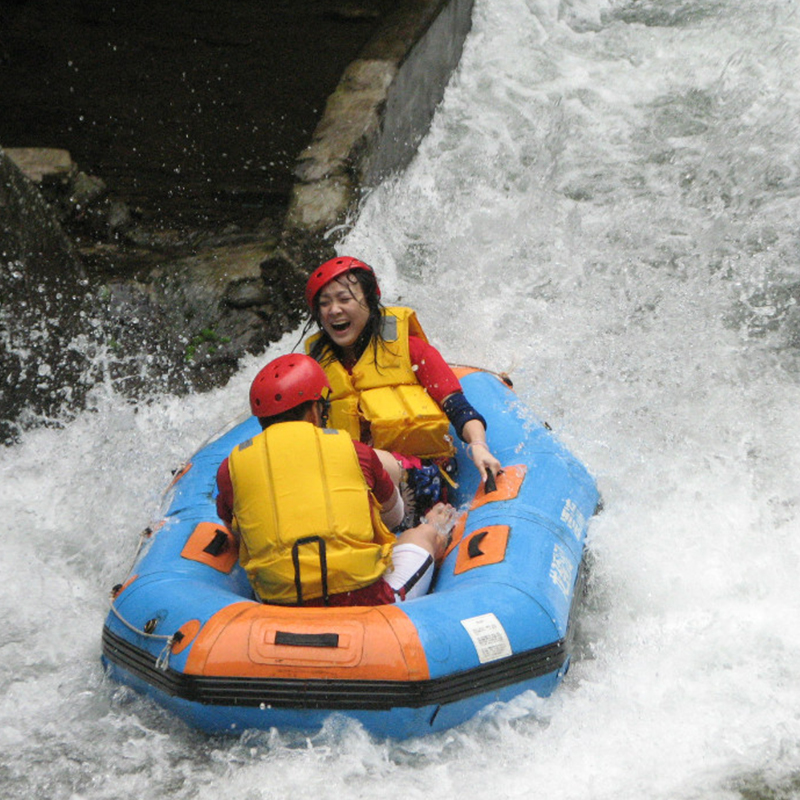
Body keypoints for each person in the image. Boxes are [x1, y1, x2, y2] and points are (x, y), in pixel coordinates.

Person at [215, 353, 455, 607]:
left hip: (279, 608)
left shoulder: (229, 468)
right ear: (315, 412)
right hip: (367, 603)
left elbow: (239, 535)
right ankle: (433, 530)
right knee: (420, 535)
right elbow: (394, 518)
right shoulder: (354, 451)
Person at [302, 255, 502, 517]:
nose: (333, 310)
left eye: (344, 299)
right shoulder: (314, 369)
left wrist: (479, 445)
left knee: (359, 460)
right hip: (349, 480)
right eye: (325, 304)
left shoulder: (410, 349)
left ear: (370, 301)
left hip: (417, 475)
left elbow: (458, 407)